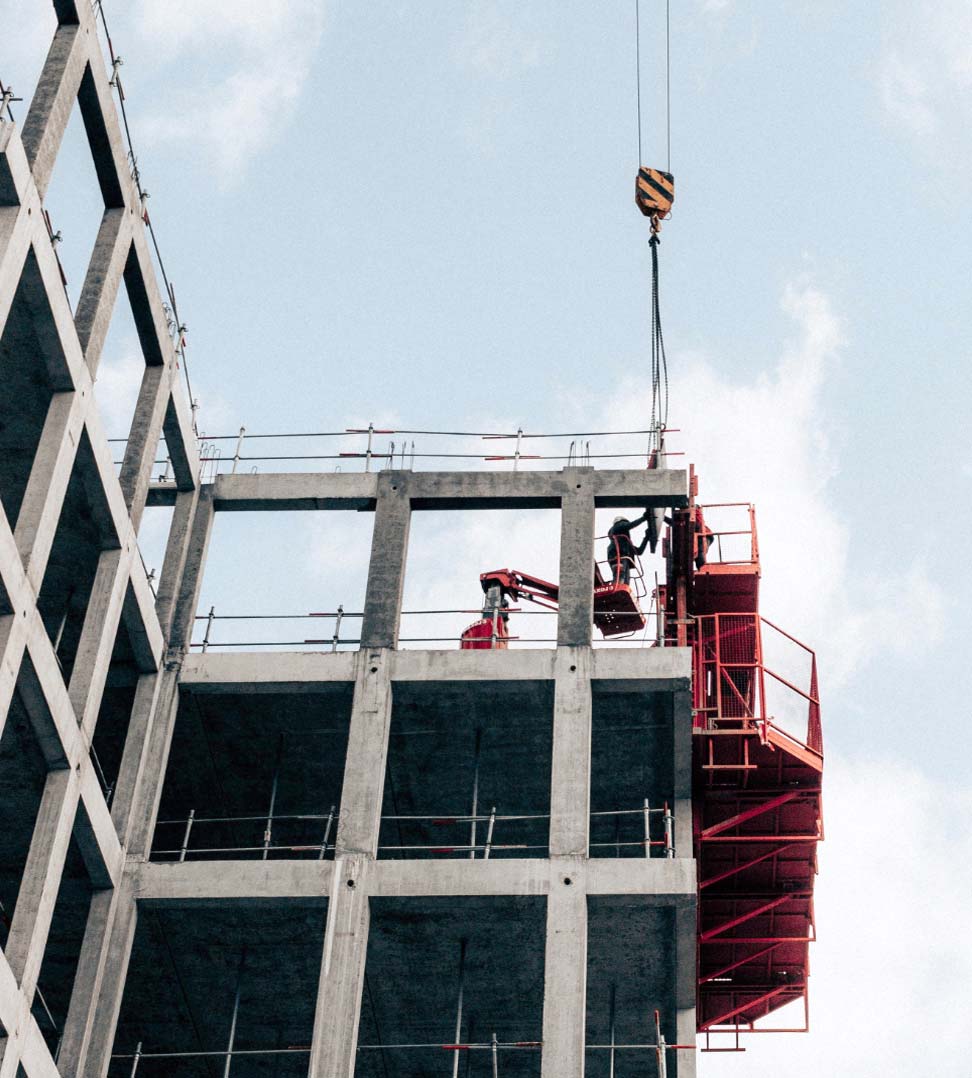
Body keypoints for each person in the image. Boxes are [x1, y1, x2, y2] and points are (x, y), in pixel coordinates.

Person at [607, 513, 650, 584]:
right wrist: (643, 518)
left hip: (623, 557)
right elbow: (629, 525)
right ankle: (616, 590)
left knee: (625, 581)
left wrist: (646, 537)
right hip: (617, 555)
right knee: (620, 576)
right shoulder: (617, 526)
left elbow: (639, 551)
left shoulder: (625, 544)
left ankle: (619, 589)